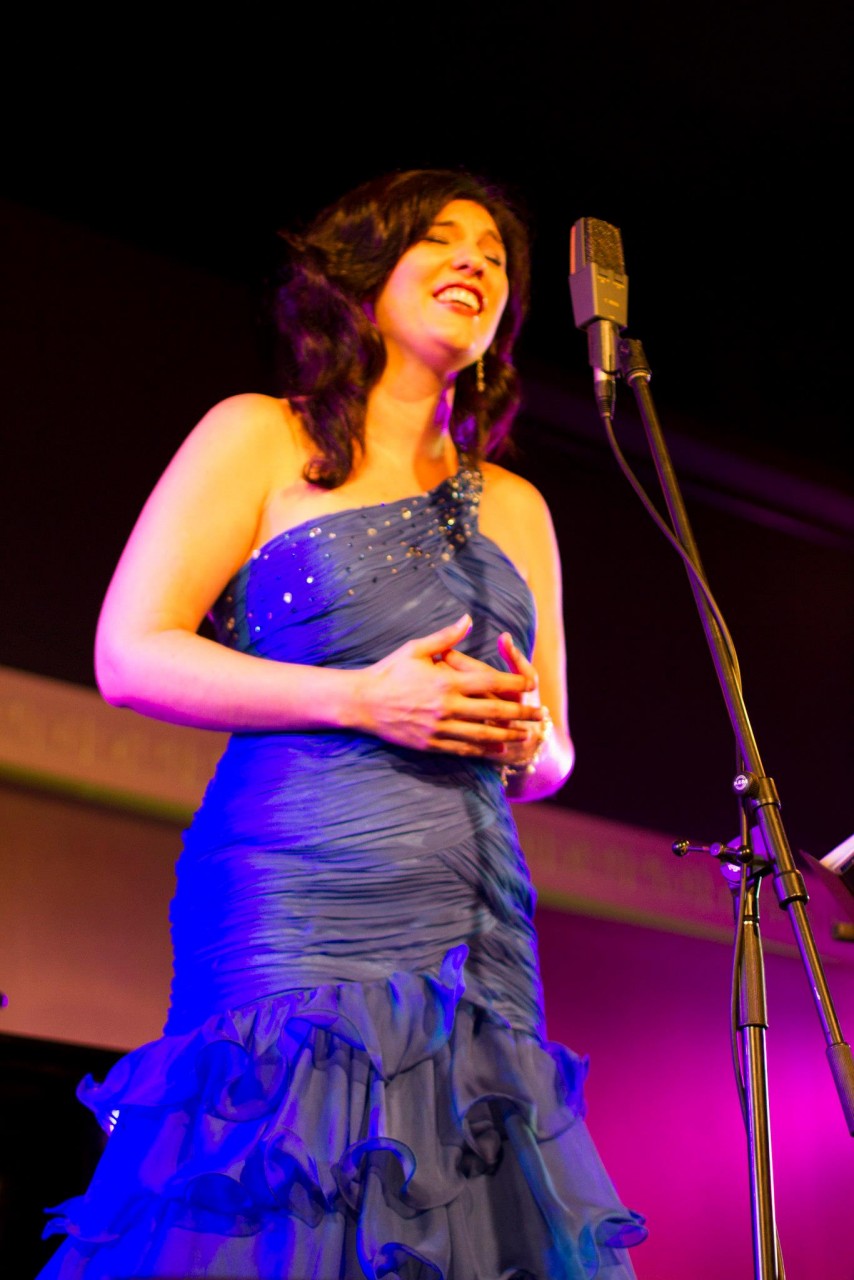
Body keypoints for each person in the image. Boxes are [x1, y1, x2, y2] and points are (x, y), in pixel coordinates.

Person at [39, 170, 646, 1279]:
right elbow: (129, 653)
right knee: (281, 1191)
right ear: (364, 276)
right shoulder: (258, 437)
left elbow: (555, 751)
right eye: (441, 239)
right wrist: (361, 697)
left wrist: (525, 740)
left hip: (472, 912)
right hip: (298, 888)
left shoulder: (519, 506)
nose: (475, 263)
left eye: (494, 257)